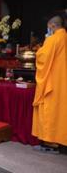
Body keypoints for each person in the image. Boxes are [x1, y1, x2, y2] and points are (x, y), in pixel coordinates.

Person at [32, 16, 67, 152]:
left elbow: (43, 58)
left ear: (52, 26)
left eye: (48, 27)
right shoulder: (64, 37)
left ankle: (51, 141)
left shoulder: (53, 39)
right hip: (62, 80)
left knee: (51, 110)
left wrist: (40, 48)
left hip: (52, 82)